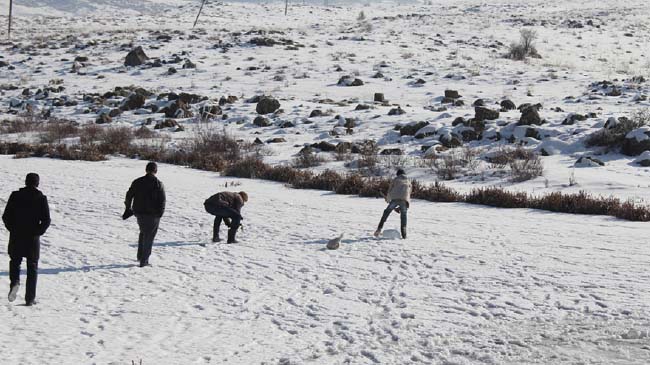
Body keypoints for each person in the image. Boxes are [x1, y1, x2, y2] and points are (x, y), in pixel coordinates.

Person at [2, 173, 51, 306]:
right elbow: (46, 220)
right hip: (32, 238)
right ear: (37, 183)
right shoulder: (41, 198)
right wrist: (38, 232)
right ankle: (29, 298)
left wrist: (12, 229)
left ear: (25, 182)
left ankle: (15, 282)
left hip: (16, 235)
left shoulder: (15, 196)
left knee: (15, 261)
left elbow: (6, 216)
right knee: (32, 266)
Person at [124, 162, 165, 267]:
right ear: (156, 171)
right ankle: (144, 261)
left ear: (146, 170)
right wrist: (160, 213)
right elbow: (162, 200)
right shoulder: (158, 183)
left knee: (143, 232)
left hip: (138, 212)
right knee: (149, 236)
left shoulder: (137, 181)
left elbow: (129, 195)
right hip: (152, 215)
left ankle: (140, 256)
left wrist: (128, 208)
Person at [374, 168, 411, 239]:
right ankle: (404, 233)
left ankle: (379, 229)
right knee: (403, 215)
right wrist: (405, 205)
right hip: (404, 199)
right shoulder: (408, 181)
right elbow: (409, 193)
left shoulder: (395, 180)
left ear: (398, 174)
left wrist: (388, 199)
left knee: (386, 212)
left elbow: (390, 190)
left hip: (395, 199)